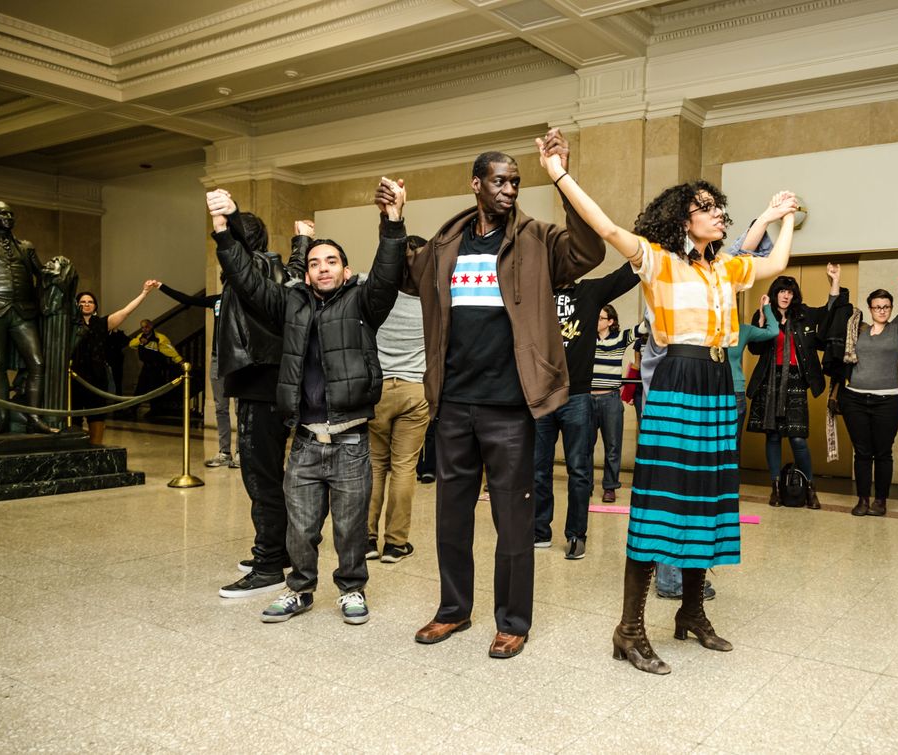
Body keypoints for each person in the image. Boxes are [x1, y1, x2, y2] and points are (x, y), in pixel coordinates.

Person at [537, 135, 797, 675]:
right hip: (677, 376)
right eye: (707, 208)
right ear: (683, 219)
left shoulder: (724, 267)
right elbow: (607, 228)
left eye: (719, 208)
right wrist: (558, 173)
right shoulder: (656, 260)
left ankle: (691, 612)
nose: (718, 214)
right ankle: (629, 628)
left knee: (708, 498)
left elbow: (776, 264)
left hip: (716, 382)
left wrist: (782, 216)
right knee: (660, 504)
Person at [395, 129, 605, 660]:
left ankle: (513, 620)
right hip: (453, 406)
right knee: (451, 516)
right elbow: (403, 277)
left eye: (516, 180)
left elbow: (589, 250)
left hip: (511, 407)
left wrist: (560, 175)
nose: (510, 188)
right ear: (476, 185)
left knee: (513, 521)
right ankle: (453, 610)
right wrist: (392, 223)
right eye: (499, 180)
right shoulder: (447, 243)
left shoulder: (537, 239)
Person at [209, 186, 405, 624]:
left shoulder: (363, 302)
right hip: (305, 441)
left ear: (345, 269)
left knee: (350, 527)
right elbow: (248, 280)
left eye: (330, 261)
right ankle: (299, 589)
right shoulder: (290, 304)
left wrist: (392, 222)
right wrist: (224, 232)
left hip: (351, 440)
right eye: (314, 262)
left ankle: (352, 589)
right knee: (300, 528)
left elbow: (389, 273)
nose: (321, 269)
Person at [655, 292, 779, 601]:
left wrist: (764, 310)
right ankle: (671, 579)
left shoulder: (732, 328)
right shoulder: (690, 326)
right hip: (692, 400)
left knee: (697, 485)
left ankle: (682, 576)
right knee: (681, 487)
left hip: (718, 399)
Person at [212, 205, 307, 599]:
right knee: (270, 476)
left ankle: (268, 563)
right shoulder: (278, 270)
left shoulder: (250, 271)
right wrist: (301, 241)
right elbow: (297, 272)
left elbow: (237, 259)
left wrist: (225, 224)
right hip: (270, 383)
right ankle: (279, 549)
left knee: (260, 477)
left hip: (258, 384)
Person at [535, 263, 638, 560]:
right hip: (542, 394)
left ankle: (576, 535)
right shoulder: (538, 292)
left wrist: (651, 239)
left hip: (578, 395)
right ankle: (540, 530)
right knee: (538, 468)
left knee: (579, 471)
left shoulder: (590, 292)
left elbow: (629, 273)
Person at [746, 265, 844, 508]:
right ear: (775, 293)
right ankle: (776, 488)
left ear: (794, 295)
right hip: (770, 381)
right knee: (773, 436)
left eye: (790, 292)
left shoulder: (804, 315)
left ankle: (810, 488)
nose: (786, 296)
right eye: (782, 291)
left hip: (796, 381)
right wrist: (760, 322)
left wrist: (835, 281)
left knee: (798, 438)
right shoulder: (764, 315)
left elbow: (829, 311)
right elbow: (755, 350)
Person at [366, 235, 430, 565]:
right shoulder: (433, 300)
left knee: (375, 465)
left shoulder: (375, 292)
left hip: (377, 390)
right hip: (414, 390)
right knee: (404, 468)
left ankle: (366, 539)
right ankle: (395, 544)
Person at [838, 278, 898, 516]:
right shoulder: (858, 330)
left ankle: (880, 501)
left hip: (887, 401)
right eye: (877, 307)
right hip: (855, 399)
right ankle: (863, 500)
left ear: (891, 308)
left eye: (886, 306)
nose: (882, 310)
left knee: (883, 452)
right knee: (862, 452)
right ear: (870, 308)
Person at [0, 200, 50, 434]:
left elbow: (42, 274)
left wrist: (60, 271)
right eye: (3, 214)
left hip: (23, 311)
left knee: (37, 363)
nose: (9, 218)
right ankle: (2, 419)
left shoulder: (25, 246)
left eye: (11, 214)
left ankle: (33, 418)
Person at [152, 280, 238, 468]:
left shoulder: (244, 301)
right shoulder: (217, 300)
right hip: (217, 359)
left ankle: (241, 452)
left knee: (241, 408)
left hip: (238, 359)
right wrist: (161, 286)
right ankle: (225, 452)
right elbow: (188, 300)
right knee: (220, 407)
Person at [71, 285, 155, 444]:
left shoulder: (102, 323)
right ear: (76, 305)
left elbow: (126, 311)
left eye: (90, 301)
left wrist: (143, 293)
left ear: (95, 306)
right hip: (74, 377)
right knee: (73, 414)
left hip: (96, 377)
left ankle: (96, 449)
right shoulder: (69, 325)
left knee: (97, 414)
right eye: (82, 301)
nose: (86, 304)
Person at [589, 301, 642, 506]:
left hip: (610, 399)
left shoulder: (620, 338)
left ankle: (609, 487)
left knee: (613, 446)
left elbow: (643, 328)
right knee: (585, 446)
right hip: (587, 398)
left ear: (611, 321)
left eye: (601, 318)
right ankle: (586, 485)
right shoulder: (586, 337)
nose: (597, 320)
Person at [129, 319, 183, 417]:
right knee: (140, 389)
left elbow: (171, 351)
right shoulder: (140, 337)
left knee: (155, 390)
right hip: (146, 367)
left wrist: (180, 362)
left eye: (146, 327)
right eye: (142, 327)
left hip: (156, 368)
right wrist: (140, 340)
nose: (144, 329)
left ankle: (155, 411)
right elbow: (131, 344)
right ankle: (133, 409)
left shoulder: (160, 338)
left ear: (151, 326)